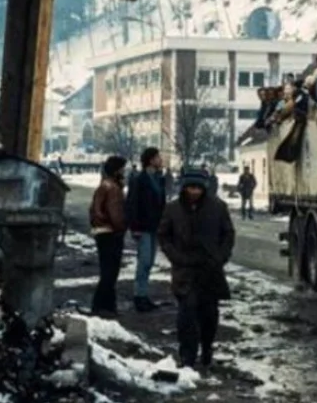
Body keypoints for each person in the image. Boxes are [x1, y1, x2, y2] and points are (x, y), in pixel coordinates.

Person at [157, 173, 235, 369]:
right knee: (187, 314)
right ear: (184, 187)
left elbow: (228, 233)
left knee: (209, 314)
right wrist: (176, 257)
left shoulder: (217, 207)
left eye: (198, 188)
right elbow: (164, 235)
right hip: (185, 271)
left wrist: (221, 256)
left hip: (210, 270)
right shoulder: (173, 208)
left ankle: (207, 348)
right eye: (191, 188)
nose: (194, 192)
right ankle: (187, 357)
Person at [125, 147, 167, 312]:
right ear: (150, 160)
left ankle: (143, 295)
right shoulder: (140, 180)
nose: (160, 159)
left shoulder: (158, 178)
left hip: (154, 226)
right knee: (144, 262)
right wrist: (134, 227)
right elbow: (132, 203)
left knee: (149, 263)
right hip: (142, 227)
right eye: (157, 157)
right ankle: (139, 296)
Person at [89, 155, 128, 319]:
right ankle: (102, 306)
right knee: (110, 272)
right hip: (110, 233)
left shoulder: (105, 185)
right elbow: (116, 215)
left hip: (102, 232)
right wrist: (122, 227)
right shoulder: (112, 188)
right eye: (122, 169)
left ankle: (106, 306)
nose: (125, 172)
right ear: (116, 170)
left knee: (108, 271)